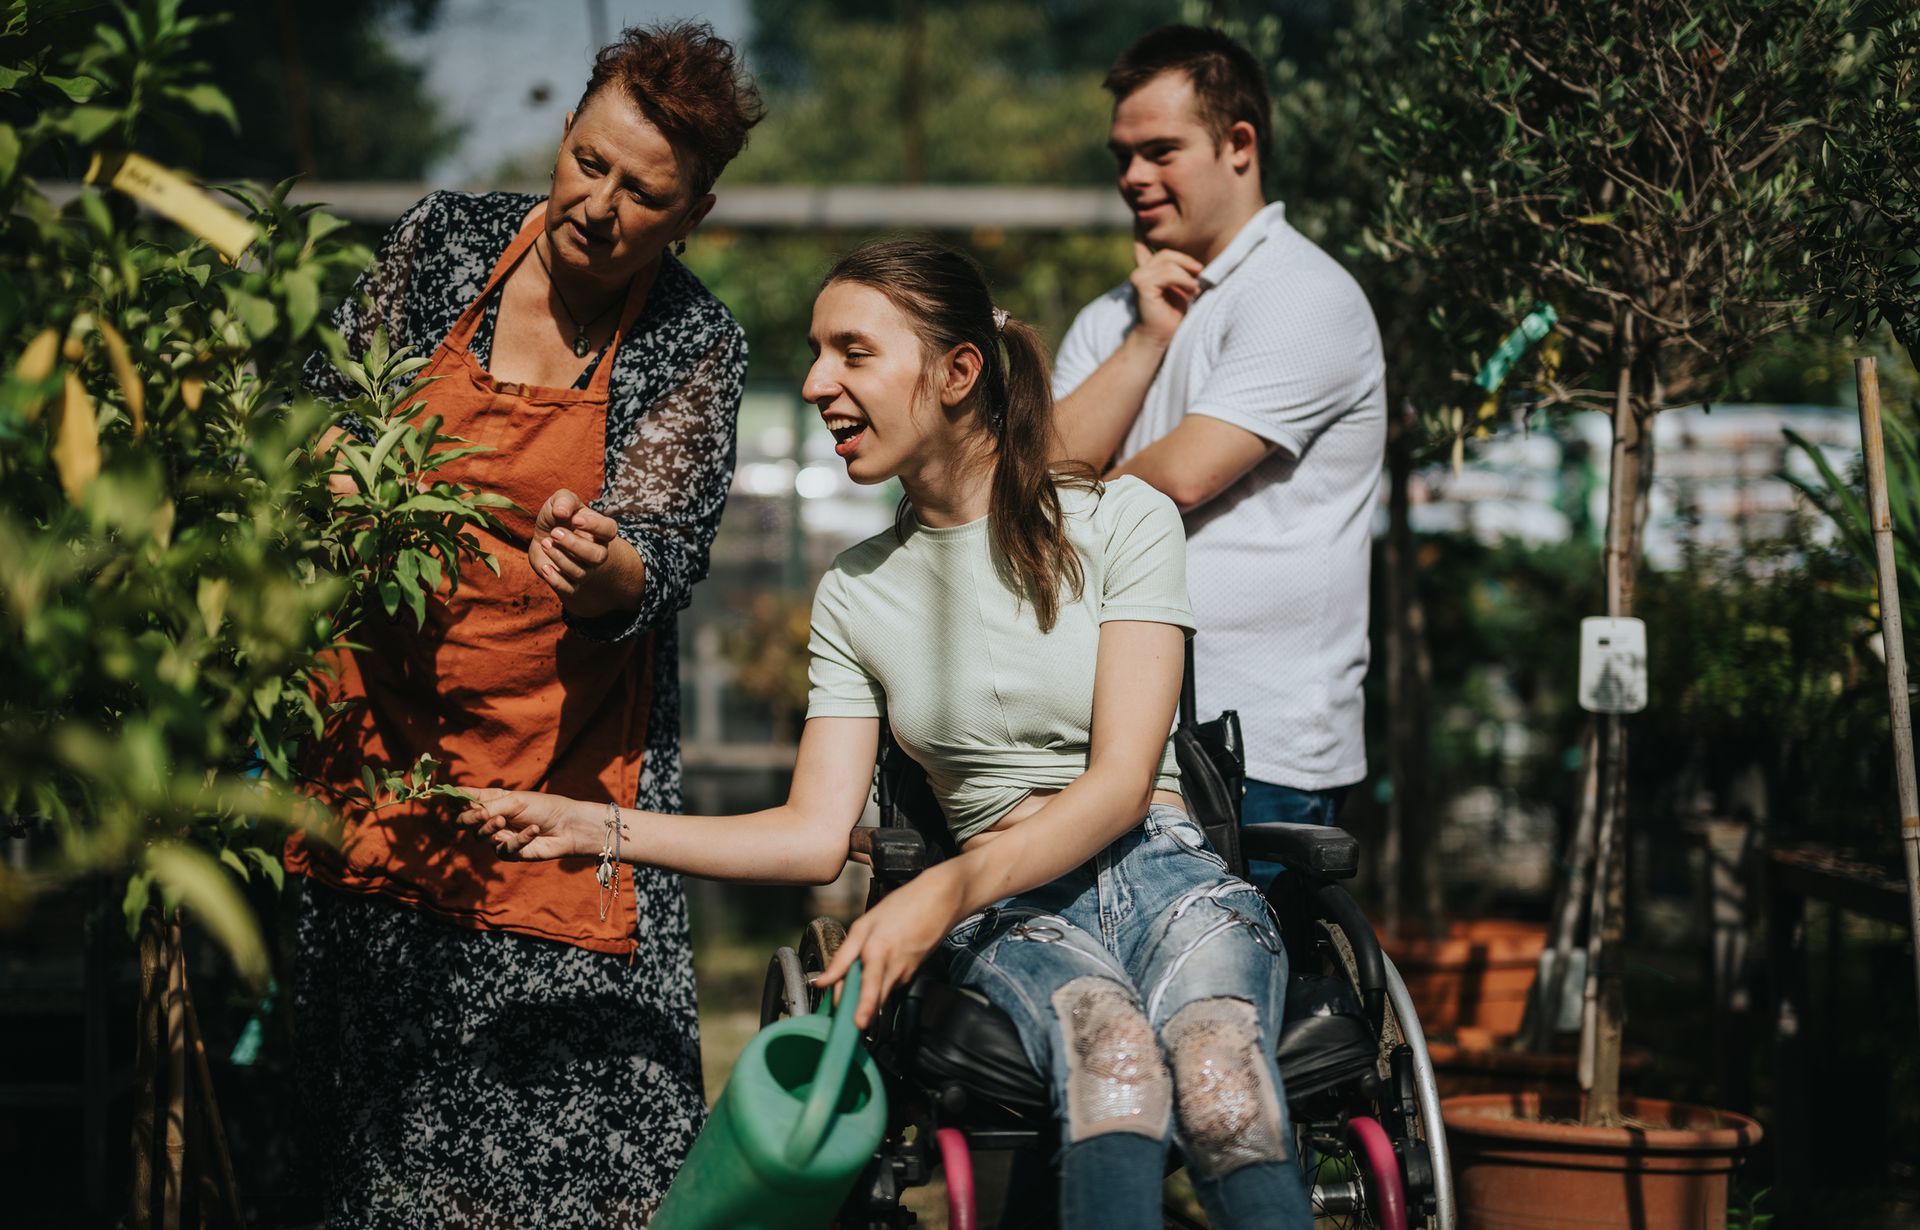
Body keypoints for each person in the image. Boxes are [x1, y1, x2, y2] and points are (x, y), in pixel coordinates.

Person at [458, 240, 1315, 1230]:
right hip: (1017, 914)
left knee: (1222, 1082)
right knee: (1111, 1066)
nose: (819, 382)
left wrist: (942, 887)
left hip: (1162, 869)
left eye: (852, 352)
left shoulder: (1124, 519)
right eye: (816, 353)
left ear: (957, 373)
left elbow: (1123, 783)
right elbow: (812, 836)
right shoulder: (856, 592)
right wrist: (589, 826)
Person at [284, 22, 762, 1226]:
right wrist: (335, 462)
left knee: (587, 1161)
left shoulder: (694, 341)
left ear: (691, 211)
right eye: (589, 162)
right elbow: (322, 403)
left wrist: (601, 569)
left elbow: (660, 555)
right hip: (378, 759)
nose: (599, 204)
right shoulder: (443, 243)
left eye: (643, 191)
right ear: (564, 138)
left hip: (556, 791)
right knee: (373, 1157)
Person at [1052, 25, 1387, 887]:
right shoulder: (1111, 320)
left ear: (1239, 144)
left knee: (1233, 1012)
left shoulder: (1304, 295)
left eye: (1160, 150)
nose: (1132, 176)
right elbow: (1046, 466)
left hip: (1260, 750)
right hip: (1107, 737)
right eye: (1122, 155)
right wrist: (1143, 342)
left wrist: (1062, 489)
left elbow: (1183, 475)